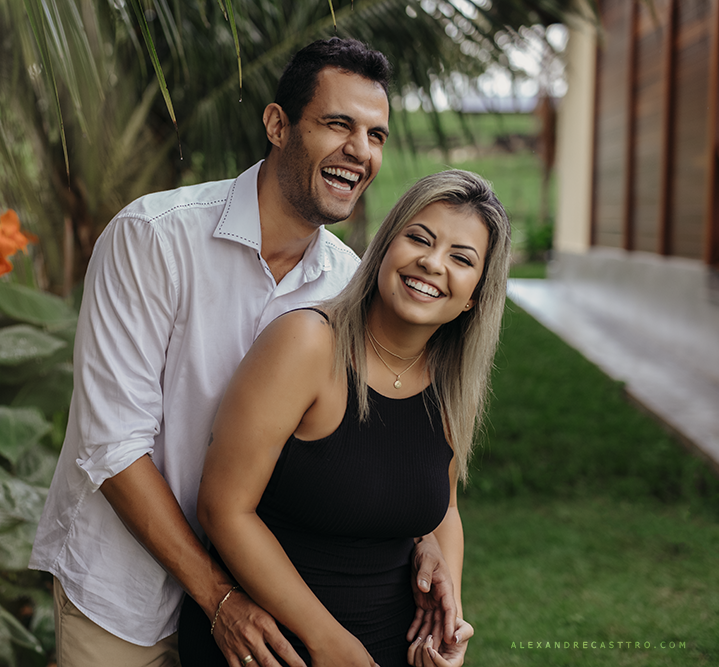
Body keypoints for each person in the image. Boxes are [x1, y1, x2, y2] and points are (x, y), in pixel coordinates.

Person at [29, 38, 458, 667]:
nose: (360, 151)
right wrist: (217, 596)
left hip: (265, 612)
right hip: (123, 595)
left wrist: (425, 539)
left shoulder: (352, 286)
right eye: (338, 124)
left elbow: (383, 437)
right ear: (278, 125)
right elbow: (112, 445)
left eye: (376, 135)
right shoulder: (153, 239)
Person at [179, 169, 512, 667]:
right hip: (269, 645)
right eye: (419, 238)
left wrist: (447, 621)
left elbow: (443, 509)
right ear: (384, 248)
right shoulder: (306, 344)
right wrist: (327, 642)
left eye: (461, 258)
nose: (432, 262)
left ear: (474, 297)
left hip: (393, 648)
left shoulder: (449, 382)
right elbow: (224, 509)